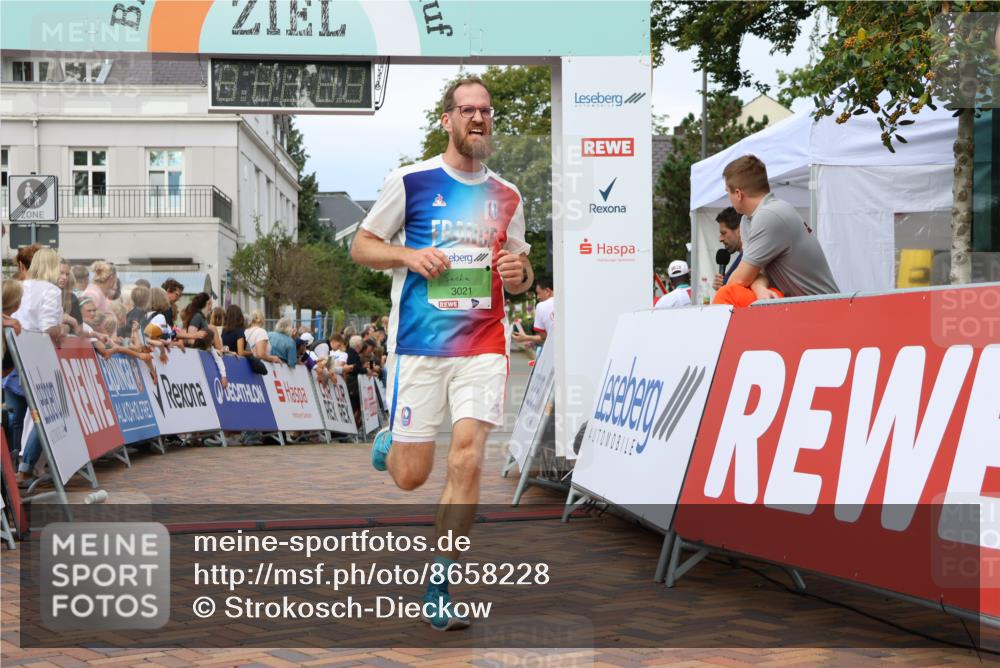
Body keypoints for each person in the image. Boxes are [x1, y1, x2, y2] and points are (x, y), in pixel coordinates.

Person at [350, 74, 533, 631]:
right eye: (467, 110)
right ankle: (391, 441)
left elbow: (522, 269)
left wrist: (519, 273)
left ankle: (441, 580)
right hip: (419, 345)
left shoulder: (508, 195)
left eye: (486, 110)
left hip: (484, 343)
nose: (478, 118)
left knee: (468, 457)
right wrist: (409, 256)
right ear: (447, 120)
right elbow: (362, 246)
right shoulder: (411, 181)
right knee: (411, 476)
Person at [713, 155, 839, 307]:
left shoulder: (769, 215)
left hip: (826, 309)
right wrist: (759, 288)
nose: (728, 197)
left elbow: (738, 281)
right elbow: (754, 274)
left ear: (739, 194)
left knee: (726, 295)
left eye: (728, 192)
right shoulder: (748, 220)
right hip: (804, 308)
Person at [7, 248, 66, 485]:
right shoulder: (51, 290)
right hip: (38, 359)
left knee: (18, 417)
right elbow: (48, 327)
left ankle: (16, 467)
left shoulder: (20, 286)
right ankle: (25, 467)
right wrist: (62, 329)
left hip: (14, 356)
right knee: (43, 416)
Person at [512, 275, 553, 351]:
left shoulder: (541, 306)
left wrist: (526, 338)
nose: (538, 297)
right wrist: (534, 342)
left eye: (538, 293)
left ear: (547, 291)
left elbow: (544, 337)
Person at [714, 207, 743, 289]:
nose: (720, 239)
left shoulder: (750, 259)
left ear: (739, 230)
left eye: (723, 233)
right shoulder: (742, 259)